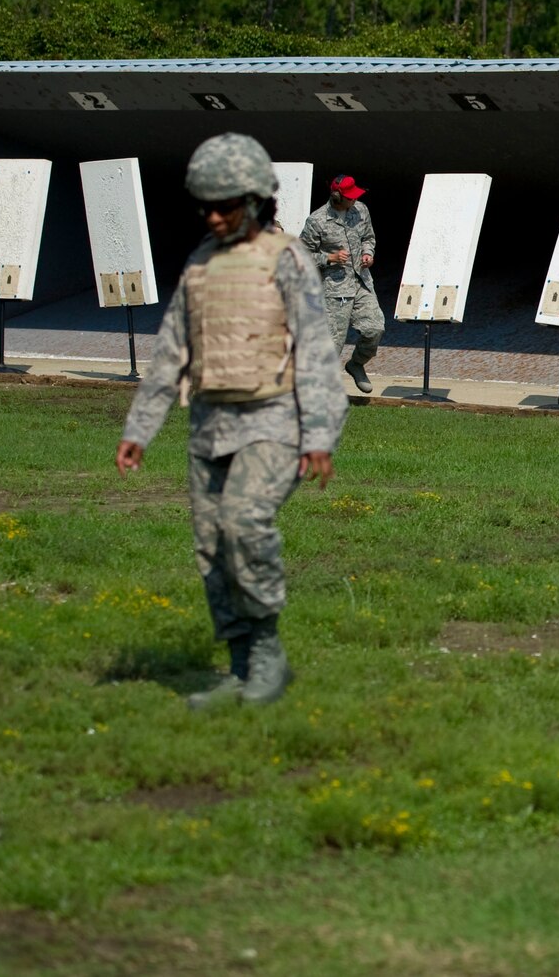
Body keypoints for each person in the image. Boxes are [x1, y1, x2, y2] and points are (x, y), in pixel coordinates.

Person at [115, 134, 347, 709]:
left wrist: (319, 434)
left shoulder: (286, 258)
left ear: (255, 201)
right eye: (207, 208)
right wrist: (140, 429)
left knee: (244, 523)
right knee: (213, 545)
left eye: (226, 207)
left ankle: (269, 657)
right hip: (210, 424)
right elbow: (172, 352)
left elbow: (317, 350)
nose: (214, 217)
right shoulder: (200, 263)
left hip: (275, 419)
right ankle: (241, 668)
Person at [300, 174, 384, 393]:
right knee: (332, 344)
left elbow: (368, 237)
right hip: (334, 289)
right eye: (350, 197)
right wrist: (329, 258)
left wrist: (368, 253)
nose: (355, 200)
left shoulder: (361, 210)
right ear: (338, 197)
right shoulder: (317, 221)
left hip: (361, 283)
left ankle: (356, 364)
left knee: (374, 329)